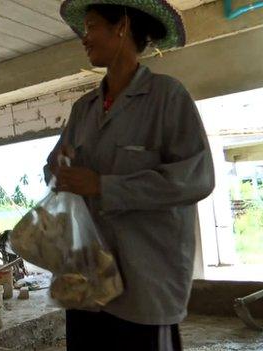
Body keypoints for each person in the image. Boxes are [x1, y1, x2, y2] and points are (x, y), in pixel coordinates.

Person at [47, 1, 216, 350]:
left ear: (121, 27)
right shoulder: (83, 109)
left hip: (146, 282)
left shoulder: (168, 97)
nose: (84, 38)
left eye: (92, 26)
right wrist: (58, 169)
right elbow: (54, 168)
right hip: (87, 279)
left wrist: (104, 186)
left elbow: (197, 176)